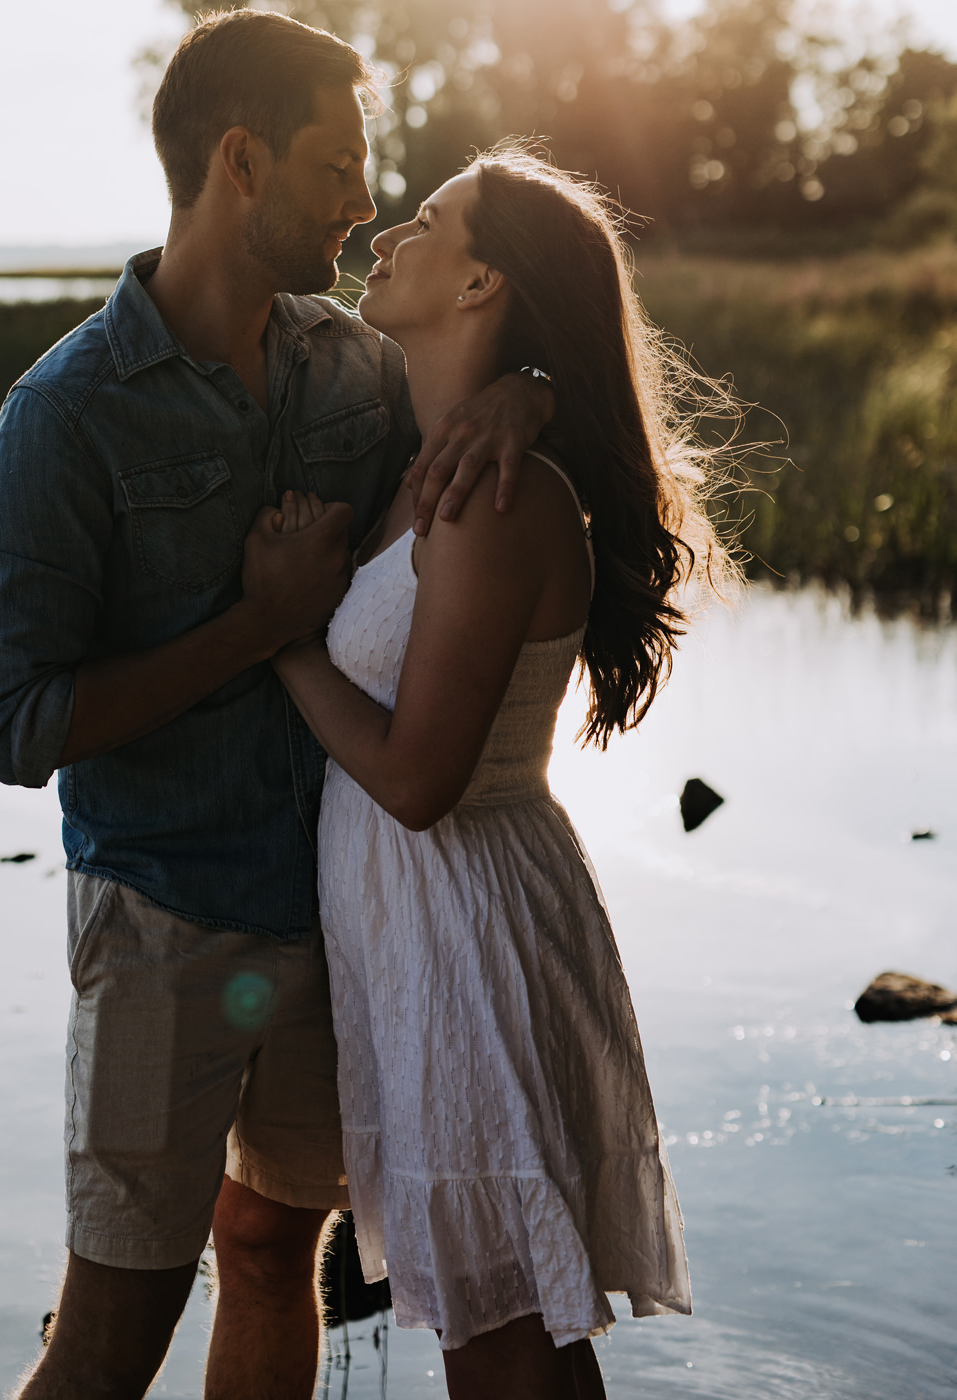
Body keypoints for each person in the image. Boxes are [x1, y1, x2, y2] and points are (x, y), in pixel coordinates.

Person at [0, 11, 556, 1400]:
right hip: (164, 922)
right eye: (336, 164)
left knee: (278, 1252)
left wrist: (528, 389)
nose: (363, 199)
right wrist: (261, 627)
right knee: (110, 1333)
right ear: (240, 161)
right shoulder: (66, 417)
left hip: (338, 918)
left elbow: (486, 399)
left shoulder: (354, 369)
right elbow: (17, 727)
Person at [272, 145, 740, 1399]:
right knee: (502, 1330)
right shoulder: (438, 455)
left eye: (421, 222)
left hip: (461, 924)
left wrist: (278, 637)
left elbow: (420, 780)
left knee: (505, 1340)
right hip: (422, 924)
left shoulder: (495, 497)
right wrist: (530, 381)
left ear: (482, 281)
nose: (386, 237)